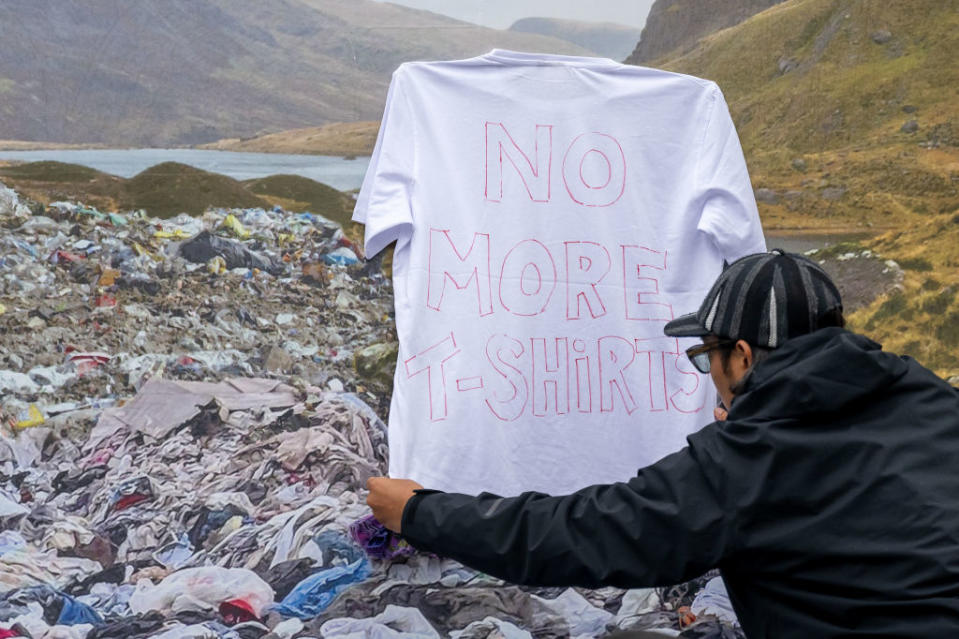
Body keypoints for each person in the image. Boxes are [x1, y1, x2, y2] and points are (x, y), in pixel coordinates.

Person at [367, 249, 959, 638]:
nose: (710, 375)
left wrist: (419, 511)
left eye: (707, 357)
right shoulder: (932, 399)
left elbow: (581, 532)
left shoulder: (745, 464)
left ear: (743, 356)